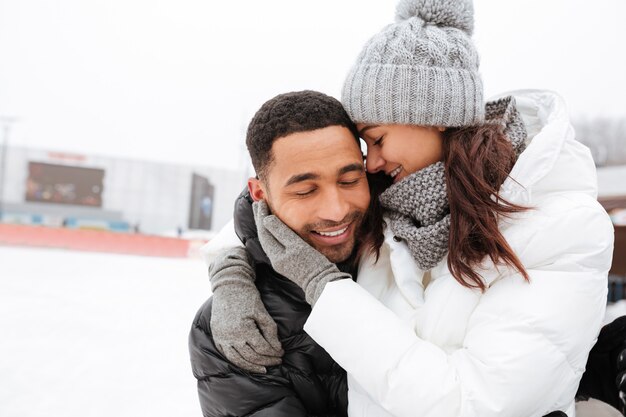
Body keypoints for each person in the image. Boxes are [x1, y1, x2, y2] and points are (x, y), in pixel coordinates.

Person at [205, 0, 617, 416]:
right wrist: (230, 273)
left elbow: (475, 405)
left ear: (435, 116)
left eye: (377, 139)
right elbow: (284, 207)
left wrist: (326, 288)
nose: (372, 164)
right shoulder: (401, 203)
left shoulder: (558, 225)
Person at [188, 90, 372, 416]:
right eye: (305, 191)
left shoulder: (409, 248)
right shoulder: (233, 329)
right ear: (260, 193)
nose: (336, 210)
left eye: (350, 180)